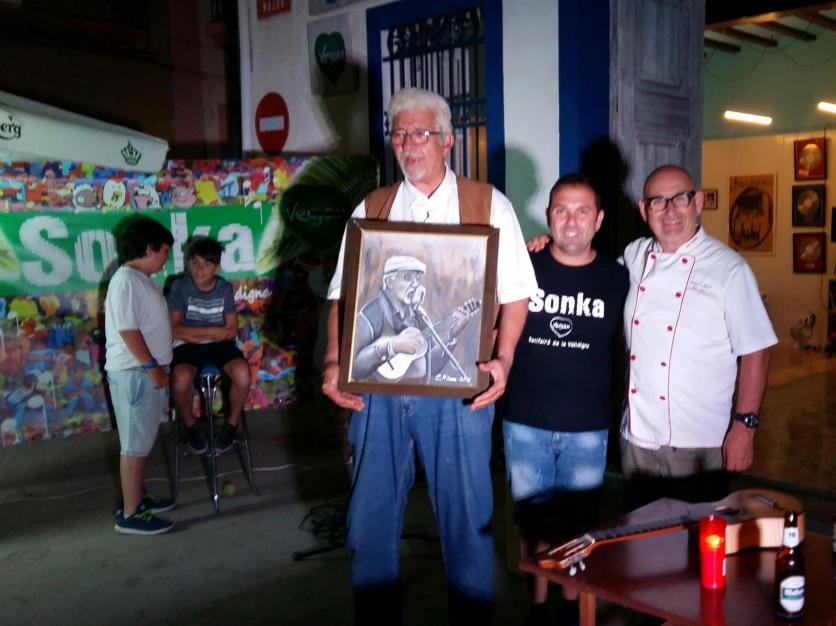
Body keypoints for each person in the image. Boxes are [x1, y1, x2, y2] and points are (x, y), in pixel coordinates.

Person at [321, 87, 537, 626]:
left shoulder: (489, 204)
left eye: (421, 133)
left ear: (448, 141)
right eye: (399, 134)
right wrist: (333, 361)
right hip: (376, 393)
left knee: (468, 523)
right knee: (370, 523)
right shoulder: (372, 208)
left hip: (459, 392)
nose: (409, 144)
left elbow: (516, 294)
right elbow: (342, 297)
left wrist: (504, 359)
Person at [504, 174, 628, 626]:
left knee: (578, 528)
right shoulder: (523, 266)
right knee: (532, 526)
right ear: (548, 216)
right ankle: (538, 610)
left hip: (587, 426)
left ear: (599, 220)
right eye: (561, 210)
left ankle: (575, 607)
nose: (571, 221)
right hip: (525, 421)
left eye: (582, 211)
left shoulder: (618, 277)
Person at [619, 164, 777, 504]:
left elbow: (757, 352)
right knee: (638, 531)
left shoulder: (729, 268)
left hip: (700, 444)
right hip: (637, 439)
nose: (670, 210)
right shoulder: (634, 255)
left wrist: (745, 427)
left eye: (681, 198)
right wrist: (547, 246)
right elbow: (588, 271)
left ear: (699, 202)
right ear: (644, 210)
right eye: (658, 201)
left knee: (697, 534)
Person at [105, 217, 176, 535]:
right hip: (136, 373)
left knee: (140, 441)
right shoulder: (126, 281)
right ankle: (131, 514)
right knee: (134, 445)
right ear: (150, 248)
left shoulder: (138, 279)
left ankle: (136, 497)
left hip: (141, 372)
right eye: (165, 251)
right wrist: (152, 367)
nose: (166, 258)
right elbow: (128, 331)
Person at [167, 236, 250, 454]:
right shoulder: (180, 286)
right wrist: (214, 332)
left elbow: (231, 330)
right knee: (180, 378)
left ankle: (231, 425)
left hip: (220, 346)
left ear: (217, 267)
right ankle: (191, 425)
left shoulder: (223, 287)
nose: (199, 269)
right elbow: (174, 329)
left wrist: (196, 333)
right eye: (194, 262)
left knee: (242, 373)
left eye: (206, 264)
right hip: (186, 346)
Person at [350, 254, 480, 383]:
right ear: (389, 282)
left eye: (417, 279)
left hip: (419, 392)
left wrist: (452, 333)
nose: (415, 284)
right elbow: (353, 368)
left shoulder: (419, 315)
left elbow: (432, 366)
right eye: (407, 278)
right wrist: (391, 347)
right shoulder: (370, 315)